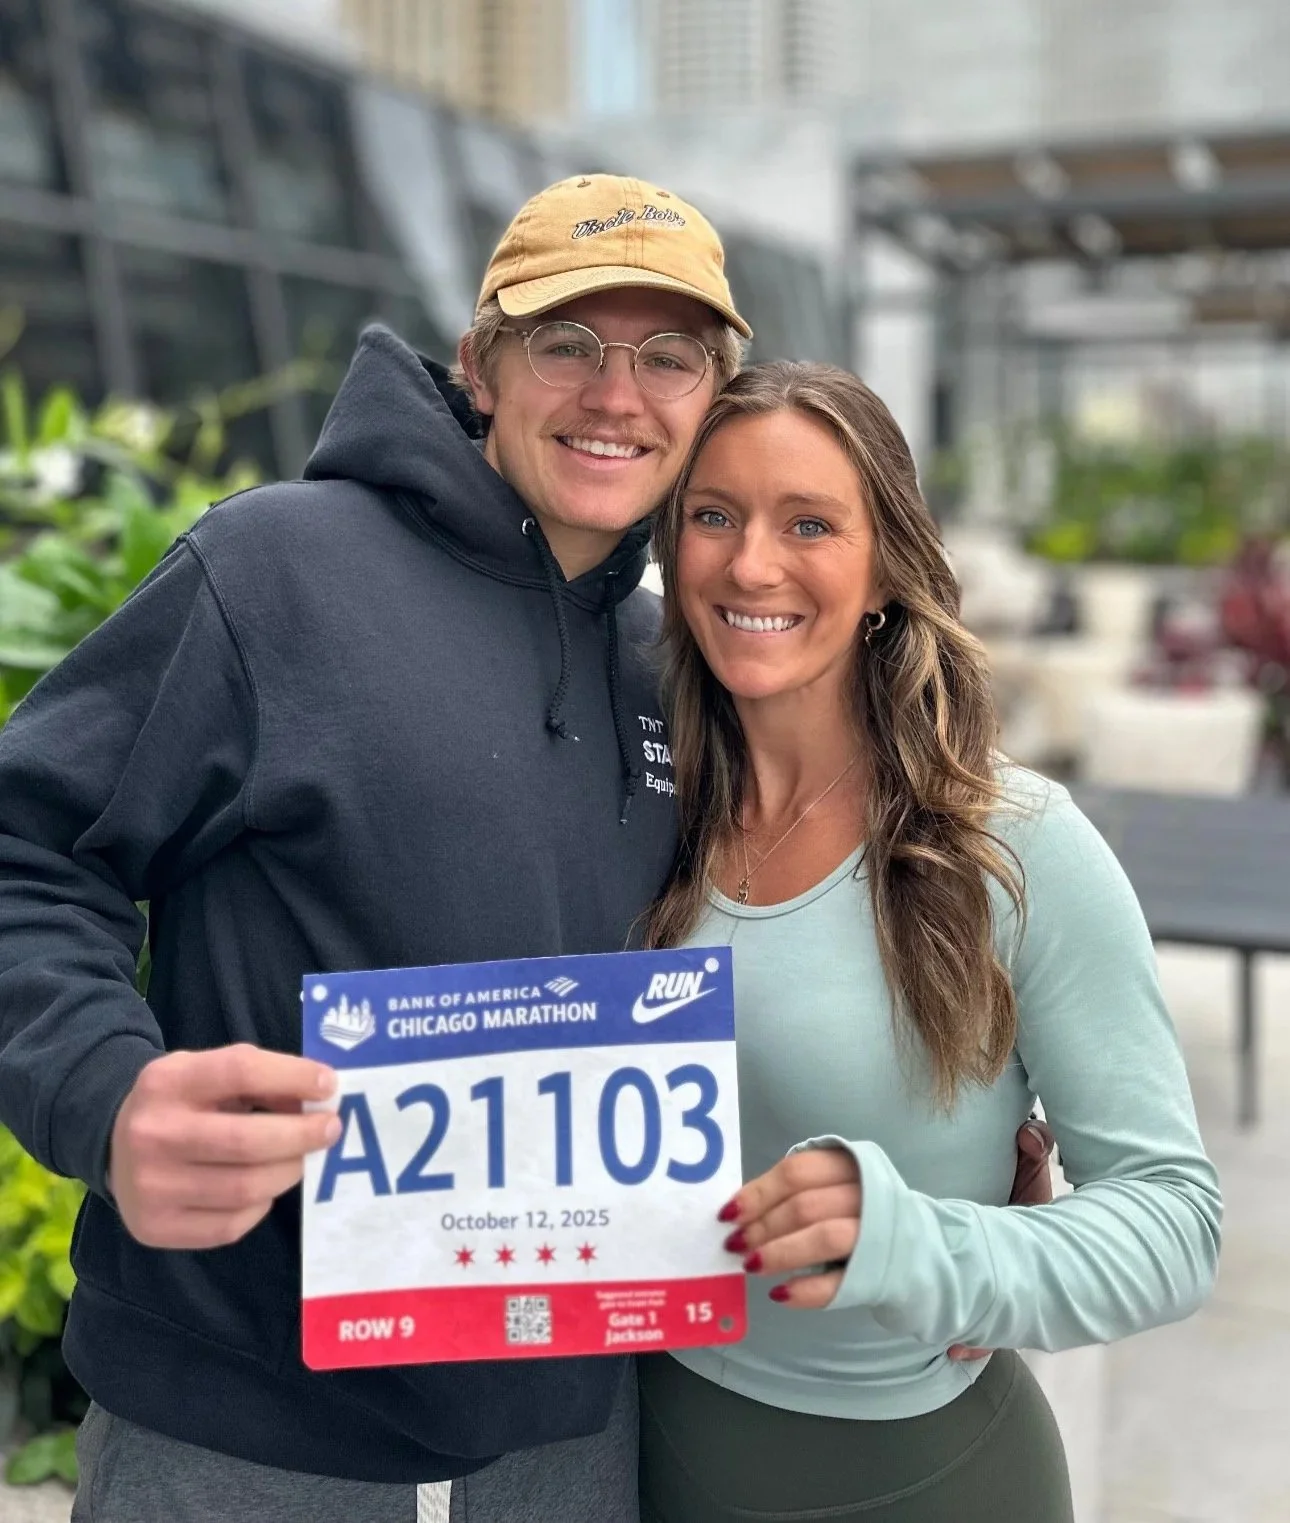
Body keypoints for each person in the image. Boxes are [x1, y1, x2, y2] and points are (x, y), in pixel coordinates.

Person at [0, 174, 1049, 1522]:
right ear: (480, 362)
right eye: (568, 342)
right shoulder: (269, 575)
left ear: (706, 395)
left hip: (571, 1438)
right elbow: (27, 846)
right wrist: (104, 1087)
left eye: (666, 356)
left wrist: (962, 1158)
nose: (617, 394)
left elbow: (786, 922)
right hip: (245, 1434)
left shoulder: (671, 668)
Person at [636, 361, 1223, 1523]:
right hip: (644, 1454)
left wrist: (922, 1243)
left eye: (809, 522)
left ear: (888, 568)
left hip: (919, 1482)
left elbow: (1173, 1221)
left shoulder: (1013, 844)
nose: (752, 562)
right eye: (715, 515)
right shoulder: (643, 804)